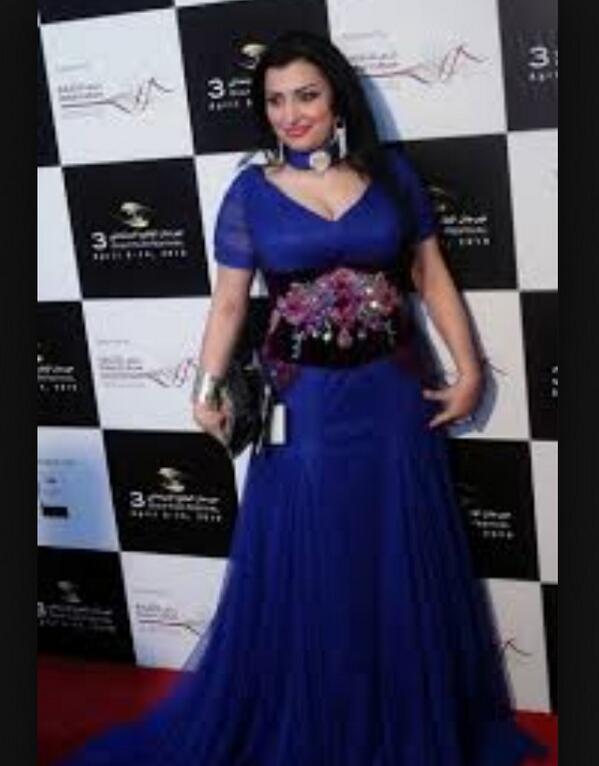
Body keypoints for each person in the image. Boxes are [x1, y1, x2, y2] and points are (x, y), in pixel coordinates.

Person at [59, 31, 549, 766]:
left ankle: (401, 722)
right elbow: (230, 303)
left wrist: (470, 369)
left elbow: (428, 273)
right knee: (318, 562)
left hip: (393, 397)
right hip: (305, 405)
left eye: (307, 96)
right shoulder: (250, 192)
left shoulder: (389, 177)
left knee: (394, 556)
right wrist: (205, 388)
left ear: (337, 99)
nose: (291, 114)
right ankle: (319, 723)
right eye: (275, 101)